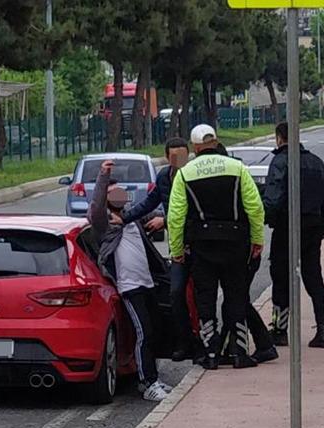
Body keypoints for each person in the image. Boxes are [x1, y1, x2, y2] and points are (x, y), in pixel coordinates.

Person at [167, 124, 265, 370]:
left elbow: (176, 217)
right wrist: (257, 240)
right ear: (216, 141)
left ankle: (210, 352)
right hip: (236, 243)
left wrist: (176, 250)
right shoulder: (238, 168)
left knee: (205, 299)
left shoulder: (185, 173)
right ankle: (240, 352)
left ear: (195, 147)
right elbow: (254, 208)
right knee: (236, 296)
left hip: (202, 246)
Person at [88, 159, 172, 401]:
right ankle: (148, 383)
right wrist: (103, 177)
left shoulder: (130, 218)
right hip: (129, 287)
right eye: (113, 191)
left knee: (152, 332)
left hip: (146, 284)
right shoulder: (105, 225)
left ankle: (150, 379)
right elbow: (95, 208)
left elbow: (155, 209)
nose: (120, 194)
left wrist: (163, 220)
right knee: (143, 332)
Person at [117, 137, 193, 361]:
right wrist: (124, 218)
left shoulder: (194, 175)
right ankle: (183, 343)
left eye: (182, 155)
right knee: (175, 293)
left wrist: (166, 220)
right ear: (167, 157)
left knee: (203, 297)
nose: (178, 160)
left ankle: (210, 343)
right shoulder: (163, 177)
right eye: (173, 156)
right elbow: (148, 203)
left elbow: (195, 211)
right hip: (178, 248)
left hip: (199, 244)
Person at [263, 122, 324, 349]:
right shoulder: (316, 162)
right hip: (312, 229)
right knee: (314, 277)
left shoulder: (280, 162)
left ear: (279, 138)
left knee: (281, 278)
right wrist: (323, 226)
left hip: (286, 228)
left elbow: (273, 199)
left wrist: (267, 218)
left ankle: (280, 329)